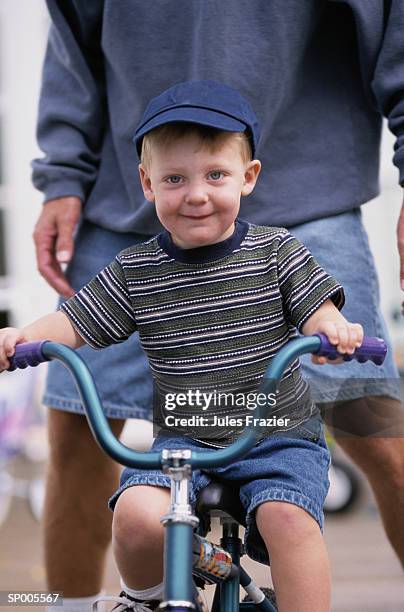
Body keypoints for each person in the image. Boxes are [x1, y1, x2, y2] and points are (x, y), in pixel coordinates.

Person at [31, 2, 404, 610]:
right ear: (152, 183)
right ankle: (136, 598)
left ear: (248, 176)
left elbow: (316, 307)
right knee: (110, 476)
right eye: (176, 181)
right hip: (180, 435)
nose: (197, 196)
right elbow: (74, 321)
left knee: (370, 436)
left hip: (310, 198)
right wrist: (21, 333)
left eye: (214, 180)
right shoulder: (136, 271)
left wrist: (332, 327)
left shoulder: (281, 253)